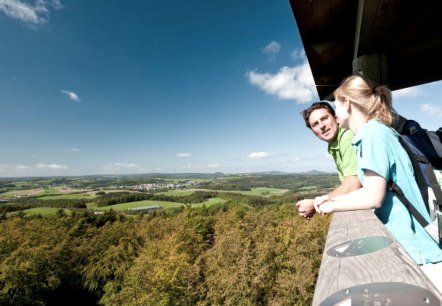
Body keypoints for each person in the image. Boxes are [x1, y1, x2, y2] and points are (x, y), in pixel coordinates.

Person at [314, 74, 442, 292]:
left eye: (336, 105)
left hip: (420, 253)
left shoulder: (373, 133)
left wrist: (331, 205)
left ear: (348, 103)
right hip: (414, 249)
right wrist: (330, 197)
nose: (335, 114)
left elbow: (373, 195)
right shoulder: (375, 132)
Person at [296, 102, 361, 219]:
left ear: (336, 118)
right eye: (315, 124)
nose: (321, 126)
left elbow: (352, 186)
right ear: (313, 131)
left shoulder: (347, 137)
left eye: (324, 118)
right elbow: (346, 184)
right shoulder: (335, 145)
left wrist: (315, 203)